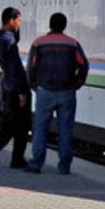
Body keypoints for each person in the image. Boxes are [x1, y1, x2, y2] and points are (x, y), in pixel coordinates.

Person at [25, 12, 88, 175]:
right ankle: (64, 167)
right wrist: (77, 83)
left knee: (40, 129)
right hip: (67, 92)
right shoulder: (72, 44)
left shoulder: (38, 43)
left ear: (50, 25)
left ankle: (36, 164)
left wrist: (34, 86)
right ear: (64, 26)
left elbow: (31, 68)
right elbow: (84, 65)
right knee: (66, 130)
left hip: (44, 91)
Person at [0, 7, 31, 169]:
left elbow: (13, 39)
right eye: (18, 21)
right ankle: (10, 157)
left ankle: (2, 153)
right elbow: (15, 68)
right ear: (11, 21)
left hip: (8, 85)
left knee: (11, 123)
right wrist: (22, 92)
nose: (19, 24)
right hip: (16, 87)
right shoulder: (9, 42)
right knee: (21, 125)